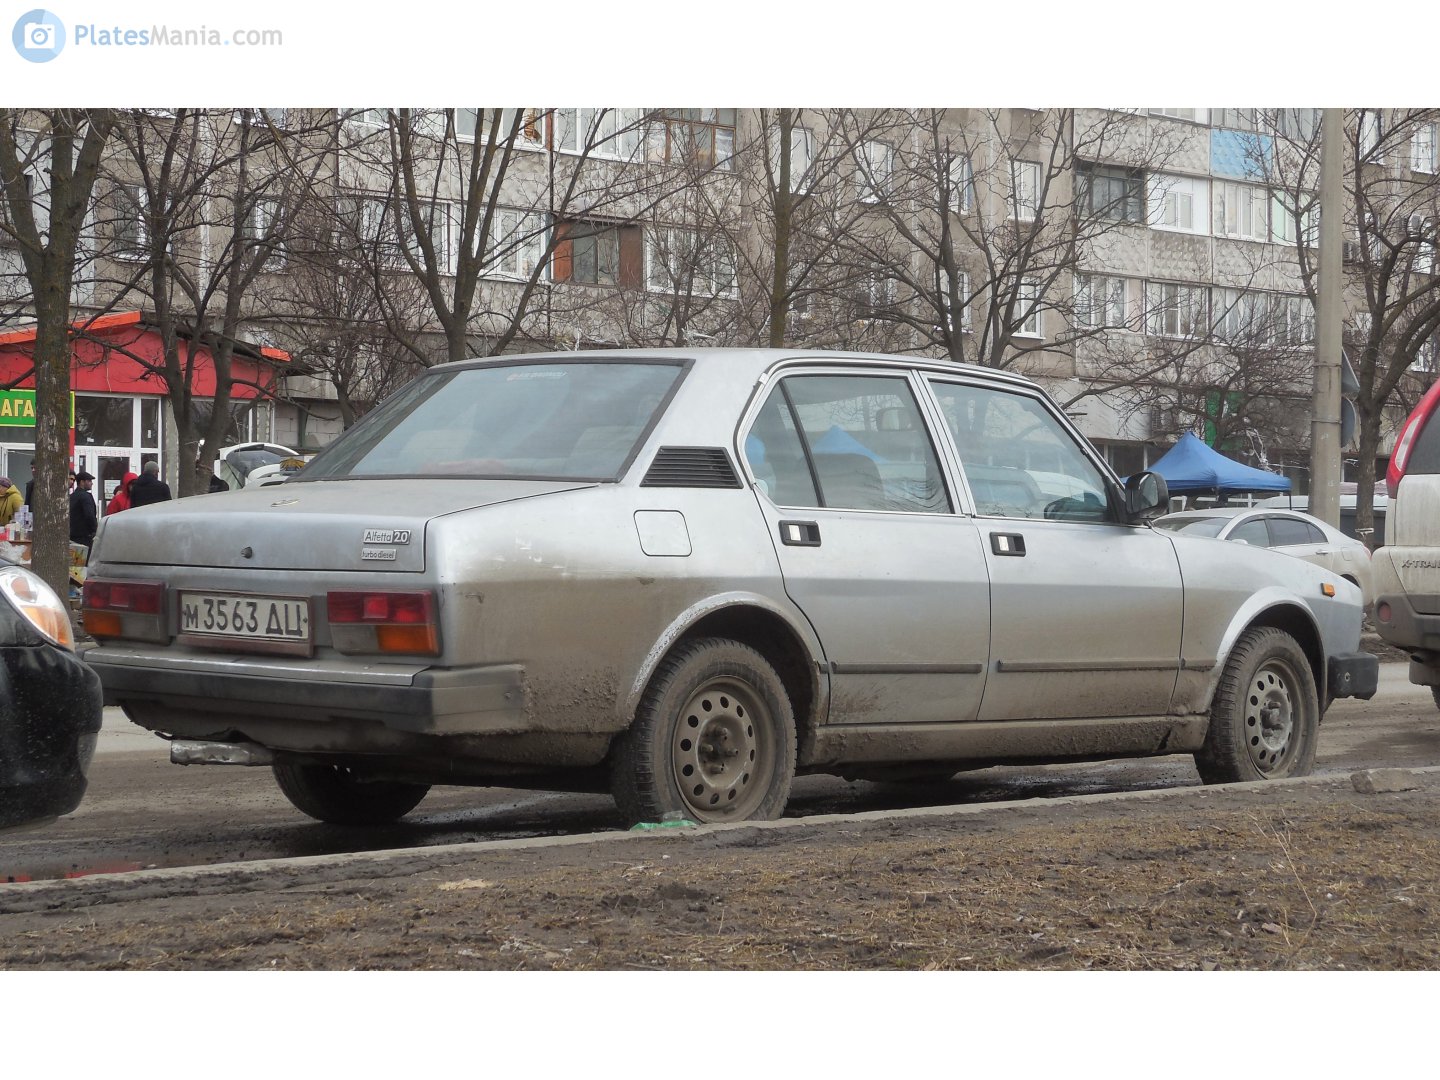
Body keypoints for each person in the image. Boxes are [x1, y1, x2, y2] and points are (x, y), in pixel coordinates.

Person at [69, 470, 97, 548]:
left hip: (72, 536)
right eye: (89, 481)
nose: (91, 483)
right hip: (85, 537)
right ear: (82, 482)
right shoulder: (86, 496)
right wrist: (95, 529)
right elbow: (89, 515)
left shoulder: (71, 496)